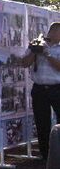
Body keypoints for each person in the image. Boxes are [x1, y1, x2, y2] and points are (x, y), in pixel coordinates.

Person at [19, 22, 60, 161]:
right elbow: (24, 63)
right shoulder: (37, 43)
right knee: (42, 123)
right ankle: (46, 156)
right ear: (53, 32)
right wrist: (34, 52)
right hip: (39, 89)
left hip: (57, 88)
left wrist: (47, 54)